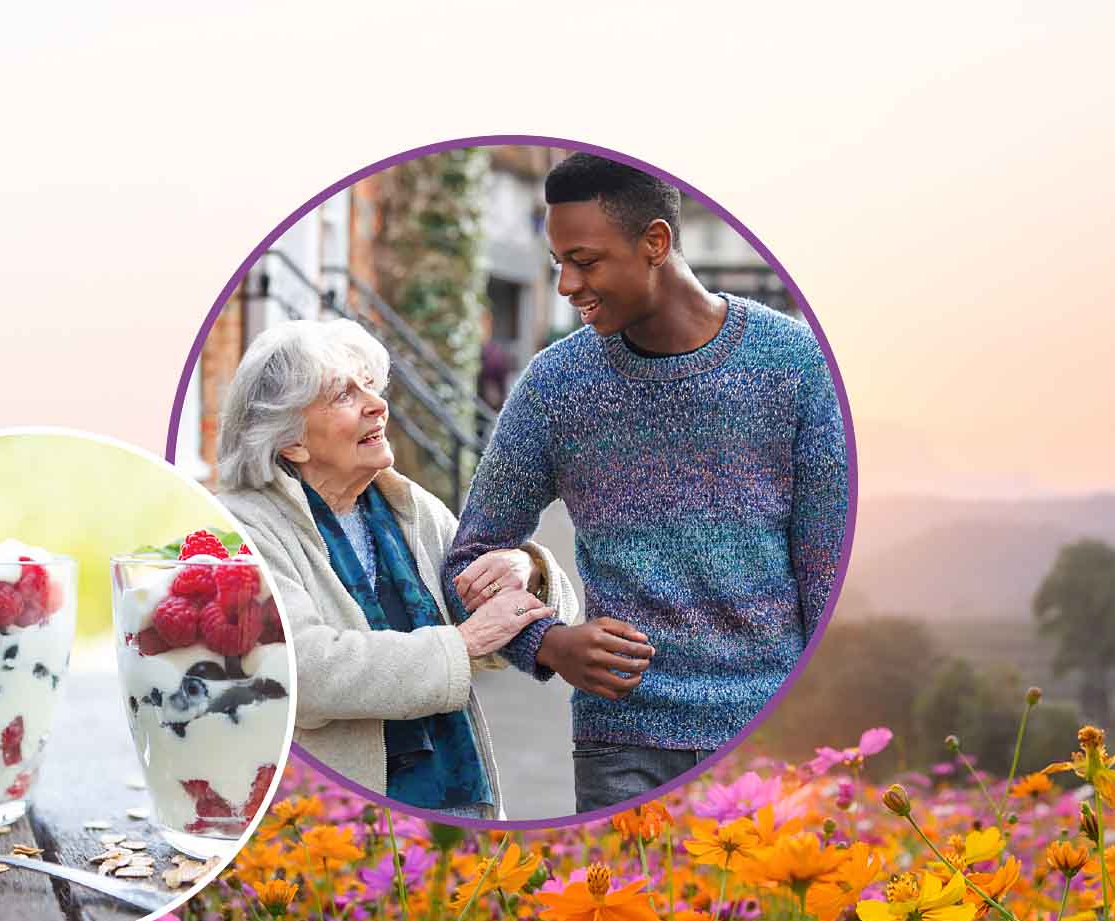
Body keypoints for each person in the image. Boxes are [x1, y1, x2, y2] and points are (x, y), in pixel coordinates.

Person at [441, 152, 848, 815]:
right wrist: (548, 643)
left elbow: (827, 571)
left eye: (586, 260)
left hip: (766, 740)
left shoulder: (793, 363)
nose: (568, 283)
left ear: (655, 242)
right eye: (557, 264)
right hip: (622, 746)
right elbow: (468, 558)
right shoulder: (556, 386)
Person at [216, 318, 578, 819]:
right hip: (326, 823)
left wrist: (525, 569)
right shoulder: (242, 527)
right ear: (292, 441)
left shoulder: (405, 505)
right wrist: (464, 644)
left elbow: (495, 613)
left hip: (459, 801)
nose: (377, 404)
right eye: (345, 394)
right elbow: (300, 669)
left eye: (371, 385)